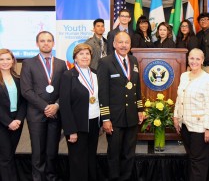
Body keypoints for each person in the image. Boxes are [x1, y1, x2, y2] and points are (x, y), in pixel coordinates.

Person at [21, 31, 67, 181]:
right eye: (42, 41)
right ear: (37, 44)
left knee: (52, 151)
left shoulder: (61, 64)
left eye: (49, 40)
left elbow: (65, 89)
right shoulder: (28, 63)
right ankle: (38, 178)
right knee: (38, 152)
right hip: (36, 114)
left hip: (55, 114)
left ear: (53, 43)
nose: (46, 43)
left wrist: (57, 106)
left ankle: (51, 177)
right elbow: (26, 90)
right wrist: (46, 107)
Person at [97, 31, 144, 181]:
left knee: (129, 152)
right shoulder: (105, 62)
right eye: (121, 42)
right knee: (114, 153)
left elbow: (136, 87)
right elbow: (102, 92)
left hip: (131, 115)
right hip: (114, 117)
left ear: (130, 45)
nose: (124, 45)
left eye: (127, 42)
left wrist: (140, 109)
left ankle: (126, 177)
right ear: (114, 44)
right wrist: (105, 118)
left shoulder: (134, 60)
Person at [174, 48, 209, 181]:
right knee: (192, 159)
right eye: (192, 58)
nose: (194, 61)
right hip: (185, 125)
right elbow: (179, 98)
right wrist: (176, 117)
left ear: (202, 61)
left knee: (198, 162)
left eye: (198, 59)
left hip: (200, 128)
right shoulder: (184, 76)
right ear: (188, 59)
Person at [59, 43, 100, 181]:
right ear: (75, 58)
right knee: (78, 161)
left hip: (94, 122)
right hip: (77, 125)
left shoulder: (95, 73)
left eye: (87, 54)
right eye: (81, 54)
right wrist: (70, 130)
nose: (85, 56)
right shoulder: (68, 75)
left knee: (91, 157)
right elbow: (64, 105)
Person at [0, 49, 26, 181]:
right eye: (1, 59)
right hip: (2, 122)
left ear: (13, 61)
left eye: (8, 59)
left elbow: (23, 102)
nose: (5, 62)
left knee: (9, 155)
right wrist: (8, 122)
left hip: (17, 122)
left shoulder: (18, 79)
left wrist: (19, 120)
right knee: (5, 157)